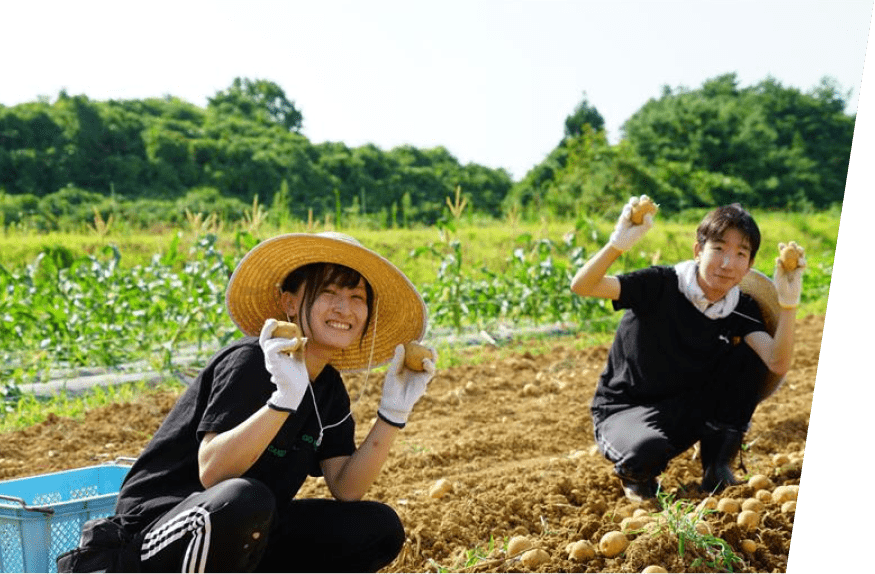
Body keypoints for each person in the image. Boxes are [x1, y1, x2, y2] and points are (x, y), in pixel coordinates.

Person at [58, 231, 436, 573]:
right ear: (289, 302)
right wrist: (282, 401)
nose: (345, 308)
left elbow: (346, 486)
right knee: (245, 498)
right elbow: (214, 473)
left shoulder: (329, 389)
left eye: (357, 298)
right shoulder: (255, 361)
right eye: (329, 293)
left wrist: (392, 414)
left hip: (242, 527)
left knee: (376, 527)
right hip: (157, 536)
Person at [570, 198, 805, 502]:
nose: (727, 263)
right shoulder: (660, 285)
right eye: (718, 249)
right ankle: (636, 478)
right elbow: (583, 286)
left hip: (687, 408)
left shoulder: (742, 309)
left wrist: (787, 305)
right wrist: (618, 244)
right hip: (627, 408)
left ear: (748, 266)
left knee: (750, 359)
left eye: (740, 254)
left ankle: (717, 467)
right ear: (698, 251)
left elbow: (776, 362)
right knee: (646, 452)